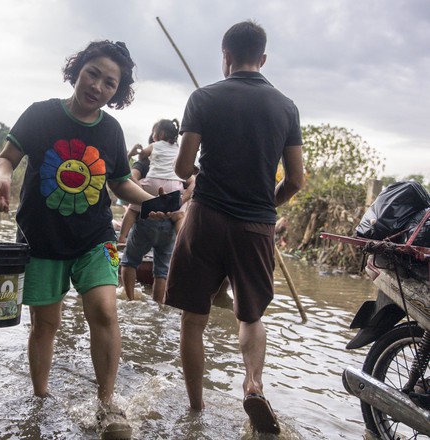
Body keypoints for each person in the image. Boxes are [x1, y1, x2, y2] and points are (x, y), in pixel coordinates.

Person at [0, 40, 161, 440]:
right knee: (44, 326)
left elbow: (119, 184)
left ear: (117, 92)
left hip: (94, 236)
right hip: (41, 238)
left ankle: (106, 404)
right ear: (77, 71)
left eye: (110, 83)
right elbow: (7, 157)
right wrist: (2, 177)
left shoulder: (111, 130)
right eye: (93, 74)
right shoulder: (41, 114)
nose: (98, 86)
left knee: (103, 311)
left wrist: (155, 202)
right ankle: (41, 402)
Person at [164, 21, 304, 435]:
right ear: (262, 59)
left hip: (206, 217)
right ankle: (253, 384)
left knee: (194, 317)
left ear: (225, 56)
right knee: (251, 315)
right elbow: (295, 180)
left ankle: (195, 410)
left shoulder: (203, 97)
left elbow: (183, 167)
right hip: (257, 225)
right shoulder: (286, 107)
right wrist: (266, 206)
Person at [117, 120, 188, 244]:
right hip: (175, 185)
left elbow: (141, 156)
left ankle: (122, 237)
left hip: (154, 183)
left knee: (133, 207)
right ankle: (181, 242)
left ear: (160, 134)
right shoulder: (178, 148)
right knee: (180, 214)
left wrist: (136, 153)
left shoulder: (155, 145)